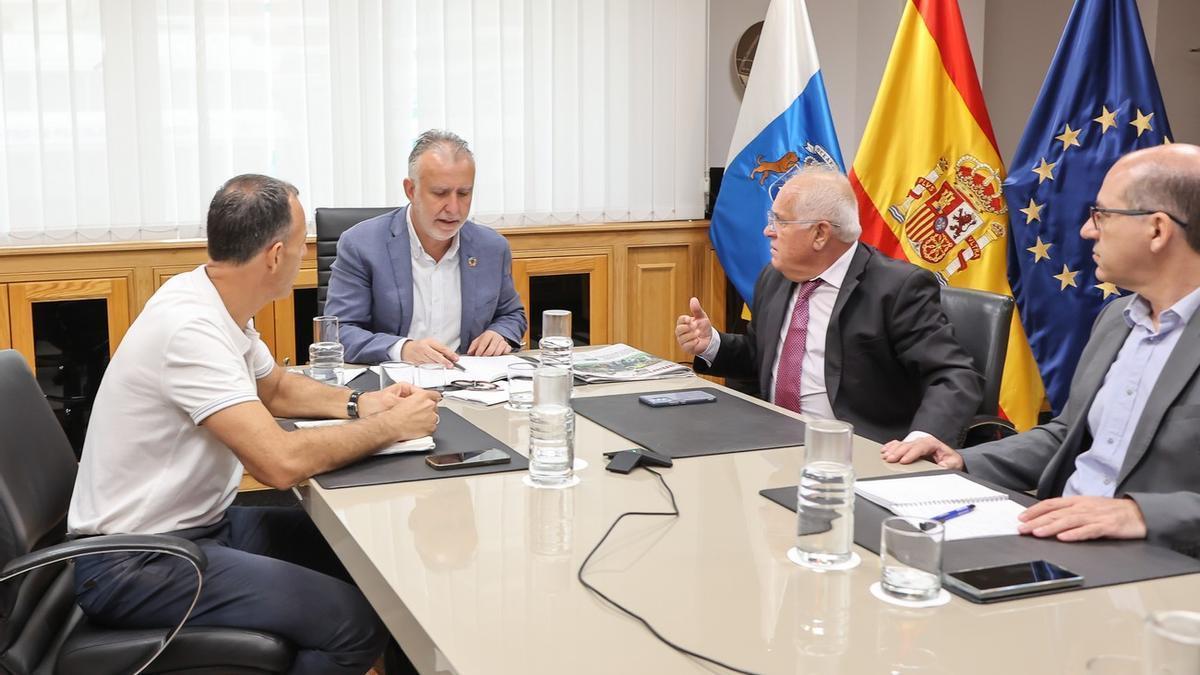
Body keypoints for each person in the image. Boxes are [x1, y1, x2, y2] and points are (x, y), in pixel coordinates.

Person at [68, 174, 442, 675]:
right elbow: (279, 463)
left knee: (363, 557)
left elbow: (276, 388)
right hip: (139, 563)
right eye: (300, 245)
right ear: (273, 255)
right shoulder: (191, 329)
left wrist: (362, 404)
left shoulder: (212, 299)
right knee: (353, 623)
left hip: (197, 529)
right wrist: (394, 428)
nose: (304, 256)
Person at [882, 144, 1200, 555]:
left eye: (1101, 214)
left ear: (1157, 229)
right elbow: (1067, 434)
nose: (1087, 230)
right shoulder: (1118, 317)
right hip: (1056, 537)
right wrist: (963, 461)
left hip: (1157, 562)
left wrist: (1139, 515)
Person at [676, 166, 982, 446]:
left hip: (860, 451)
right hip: (772, 441)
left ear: (820, 234)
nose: (767, 231)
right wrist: (711, 344)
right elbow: (762, 356)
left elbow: (953, 375)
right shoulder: (775, 277)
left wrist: (922, 439)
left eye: (779, 221)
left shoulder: (896, 288)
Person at [325, 129, 527, 366]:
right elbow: (339, 332)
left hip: (469, 383)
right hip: (393, 387)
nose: (454, 208)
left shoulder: (491, 248)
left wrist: (500, 333)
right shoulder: (361, 244)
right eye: (440, 193)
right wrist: (402, 349)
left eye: (464, 193)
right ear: (411, 190)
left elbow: (512, 315)